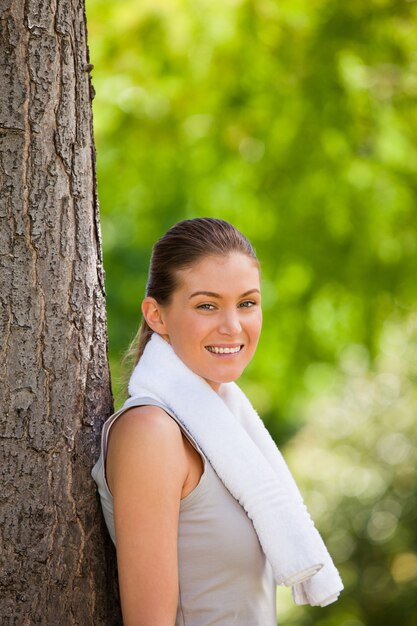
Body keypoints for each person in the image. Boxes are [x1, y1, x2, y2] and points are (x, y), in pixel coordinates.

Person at [92, 217, 343, 626]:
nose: (233, 326)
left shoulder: (229, 431)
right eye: (207, 305)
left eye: (247, 303)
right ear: (156, 315)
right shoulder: (151, 433)